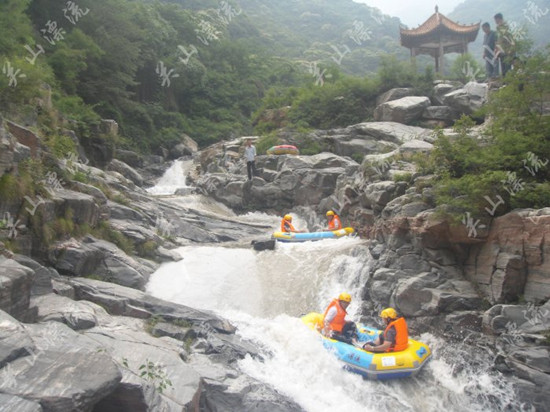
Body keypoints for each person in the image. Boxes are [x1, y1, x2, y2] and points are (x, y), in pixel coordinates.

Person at [494, 13, 514, 77]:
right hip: (502, 51)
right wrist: (496, 49)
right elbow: (498, 40)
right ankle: (505, 82)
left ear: (499, 19)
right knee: (503, 67)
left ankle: (508, 82)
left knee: (507, 67)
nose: (495, 22)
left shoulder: (506, 27)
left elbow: (508, 39)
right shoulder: (498, 28)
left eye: (496, 20)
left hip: (507, 50)